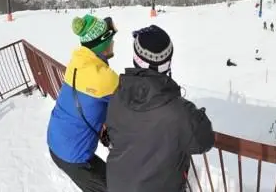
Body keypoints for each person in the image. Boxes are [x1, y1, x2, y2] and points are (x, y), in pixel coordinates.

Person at [106, 25, 215, 192]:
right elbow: (204, 140)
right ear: (167, 63)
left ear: (136, 59)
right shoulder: (179, 112)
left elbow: (114, 134)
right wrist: (194, 114)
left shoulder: (117, 95)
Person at [47, 14, 119, 192]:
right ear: (102, 45)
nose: (113, 42)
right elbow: (133, 103)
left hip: (56, 142)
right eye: (110, 39)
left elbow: (90, 99)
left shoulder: (77, 62)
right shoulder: (104, 78)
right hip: (74, 156)